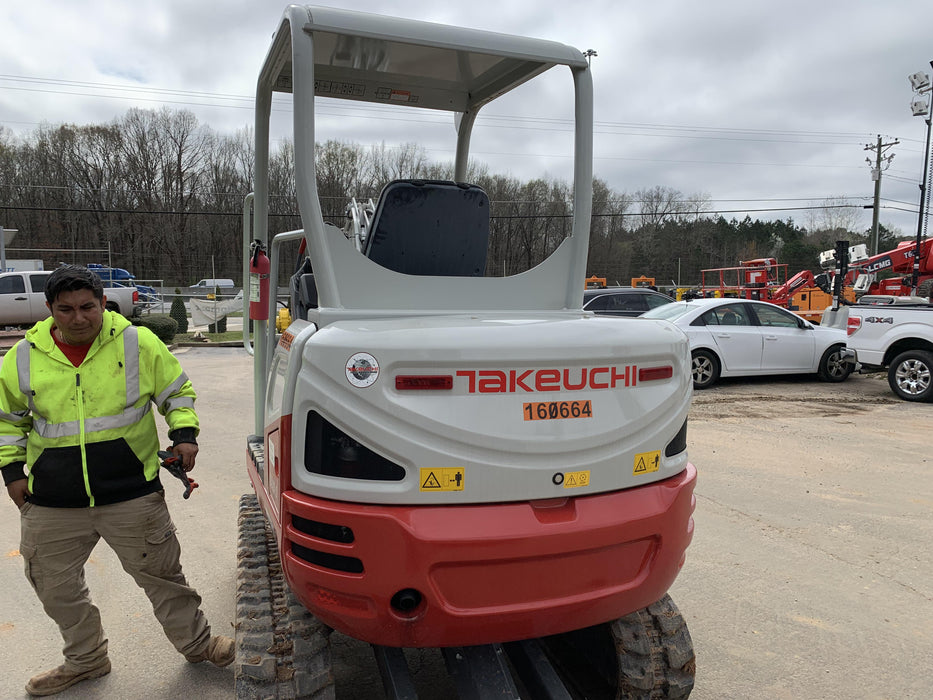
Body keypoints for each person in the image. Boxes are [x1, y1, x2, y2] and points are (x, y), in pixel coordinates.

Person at [0, 265, 233, 697]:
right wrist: (13, 474)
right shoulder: (24, 356)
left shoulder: (136, 341)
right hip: (52, 501)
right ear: (49, 309)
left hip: (132, 493)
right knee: (54, 587)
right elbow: (8, 422)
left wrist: (184, 435)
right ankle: (86, 660)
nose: (78, 318)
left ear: (102, 303)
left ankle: (201, 647)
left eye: (87, 306)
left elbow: (175, 391)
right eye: (65, 309)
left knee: (164, 578)